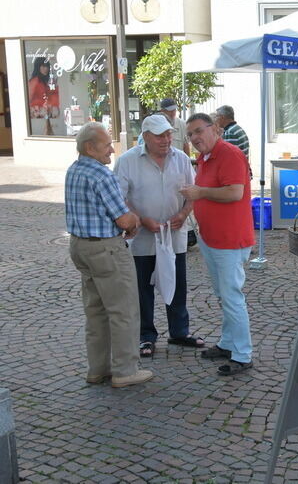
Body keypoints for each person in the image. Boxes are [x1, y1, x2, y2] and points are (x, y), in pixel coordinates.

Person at [66, 122, 153, 388]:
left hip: (80, 247)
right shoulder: (101, 175)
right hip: (105, 249)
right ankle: (125, 370)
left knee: (95, 311)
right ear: (90, 147)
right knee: (123, 309)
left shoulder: (74, 169)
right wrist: (135, 219)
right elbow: (124, 220)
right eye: (106, 145)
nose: (111, 151)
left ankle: (98, 369)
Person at [114, 114, 204, 359]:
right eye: (159, 136)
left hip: (174, 235)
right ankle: (146, 336)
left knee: (177, 285)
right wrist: (141, 219)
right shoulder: (127, 161)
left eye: (168, 134)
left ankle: (179, 331)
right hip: (142, 238)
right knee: (142, 289)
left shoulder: (182, 159)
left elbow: (192, 194)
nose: (166, 140)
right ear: (145, 137)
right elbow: (118, 199)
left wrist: (184, 214)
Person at [180, 113, 254, 376]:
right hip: (211, 238)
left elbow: (235, 192)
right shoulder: (205, 157)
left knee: (232, 296)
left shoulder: (229, 154)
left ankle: (243, 354)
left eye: (199, 131)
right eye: (190, 135)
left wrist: (200, 193)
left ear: (215, 130)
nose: (195, 138)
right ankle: (227, 343)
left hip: (229, 240)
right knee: (224, 295)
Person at [28, 57, 60, 135]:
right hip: (37, 115)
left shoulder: (44, 81)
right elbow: (29, 98)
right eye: (43, 66)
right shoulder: (35, 81)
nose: (46, 69)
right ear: (38, 67)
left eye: (47, 66)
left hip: (46, 114)